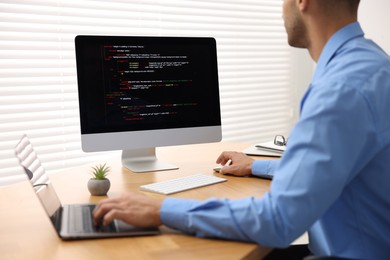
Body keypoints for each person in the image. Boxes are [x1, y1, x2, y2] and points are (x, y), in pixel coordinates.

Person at [93, 0, 390, 258]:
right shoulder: (371, 67)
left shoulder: (340, 89)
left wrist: (160, 211)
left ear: (303, 1)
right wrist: (256, 166)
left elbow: (278, 220)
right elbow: (333, 165)